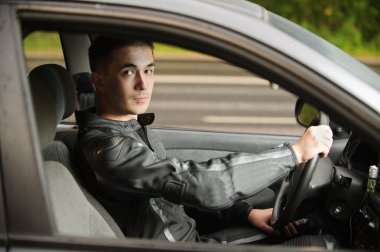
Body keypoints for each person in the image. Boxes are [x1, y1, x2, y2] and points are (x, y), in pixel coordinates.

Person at [76, 36, 333, 243]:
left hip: (190, 236)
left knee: (311, 233)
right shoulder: (109, 149)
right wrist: (294, 154)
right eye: (129, 72)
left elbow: (178, 192)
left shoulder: (128, 128)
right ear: (99, 81)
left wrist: (246, 213)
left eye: (149, 70)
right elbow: (200, 186)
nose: (144, 84)